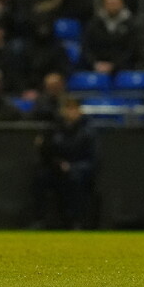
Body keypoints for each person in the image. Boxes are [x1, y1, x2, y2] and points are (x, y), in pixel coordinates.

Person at [33, 96, 96, 229]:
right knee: (40, 177)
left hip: (77, 170)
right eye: (67, 108)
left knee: (74, 180)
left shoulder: (88, 132)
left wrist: (73, 167)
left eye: (73, 108)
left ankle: (74, 222)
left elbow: (92, 159)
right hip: (56, 169)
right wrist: (43, 146)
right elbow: (47, 153)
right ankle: (40, 220)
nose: (70, 112)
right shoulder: (55, 129)